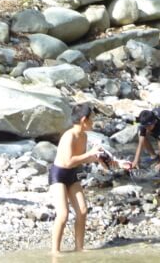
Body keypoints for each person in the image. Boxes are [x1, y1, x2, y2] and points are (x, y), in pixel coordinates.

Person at [49, 103, 104, 254]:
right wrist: (89, 154)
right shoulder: (69, 136)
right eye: (91, 119)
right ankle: (55, 252)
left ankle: (79, 247)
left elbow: (80, 159)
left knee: (83, 211)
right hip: (58, 174)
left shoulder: (84, 136)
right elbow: (67, 161)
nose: (93, 122)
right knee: (63, 214)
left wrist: (96, 159)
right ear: (84, 120)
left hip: (72, 174)